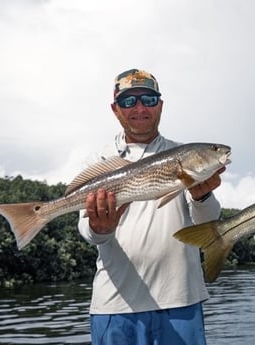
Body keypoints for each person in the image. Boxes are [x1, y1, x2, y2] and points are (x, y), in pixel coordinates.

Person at [77, 68, 225, 345]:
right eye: (128, 101)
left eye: (148, 99)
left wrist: (202, 198)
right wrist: (99, 228)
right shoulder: (98, 161)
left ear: (160, 105)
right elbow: (87, 231)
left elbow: (208, 225)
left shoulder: (186, 155)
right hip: (115, 305)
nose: (140, 108)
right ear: (115, 109)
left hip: (181, 299)